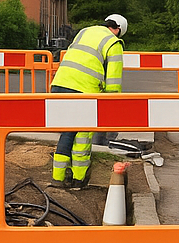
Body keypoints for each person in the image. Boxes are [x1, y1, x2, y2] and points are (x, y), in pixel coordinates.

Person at [49, 14, 127, 189]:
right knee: (82, 134)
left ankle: (60, 177)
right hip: (83, 90)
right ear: (118, 30)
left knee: (67, 132)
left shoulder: (85, 32)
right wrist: (111, 104)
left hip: (59, 84)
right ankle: (77, 179)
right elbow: (114, 81)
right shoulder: (113, 43)